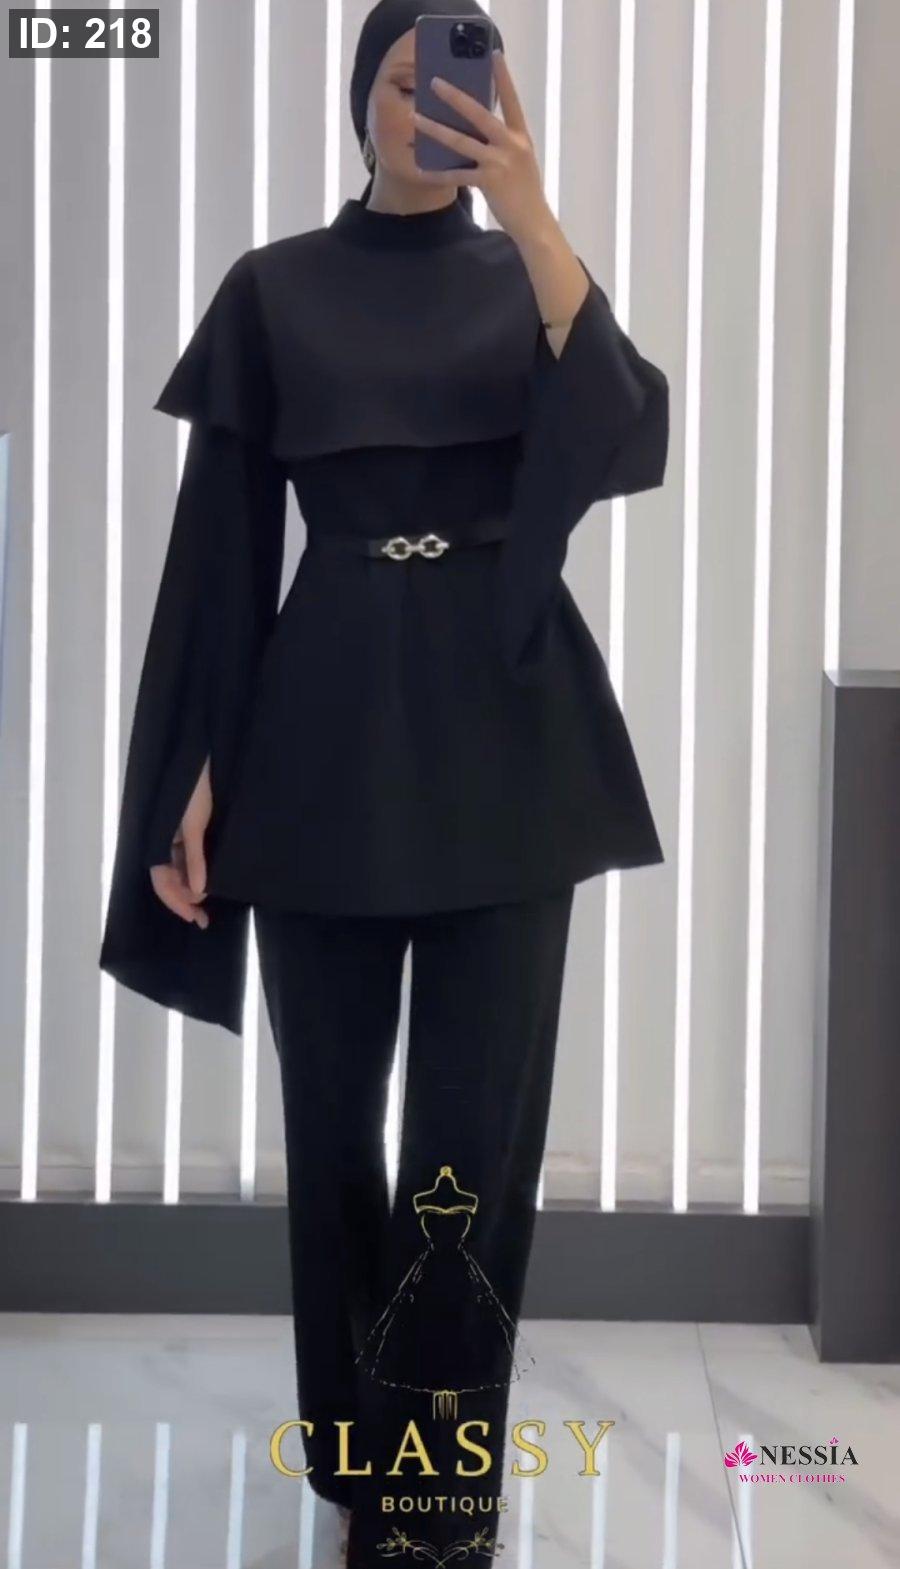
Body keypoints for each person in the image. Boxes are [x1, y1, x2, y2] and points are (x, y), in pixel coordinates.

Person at [98, 1, 669, 1561]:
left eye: (461, 82)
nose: (431, 104)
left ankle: (438, 1489)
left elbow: (624, 435)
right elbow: (219, 555)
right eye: (404, 79)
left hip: (511, 740)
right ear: (360, 99)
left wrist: (535, 214)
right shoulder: (274, 289)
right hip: (323, 739)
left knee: (471, 1151)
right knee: (338, 1134)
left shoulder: (533, 279)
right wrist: (191, 774)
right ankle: (365, 1454)